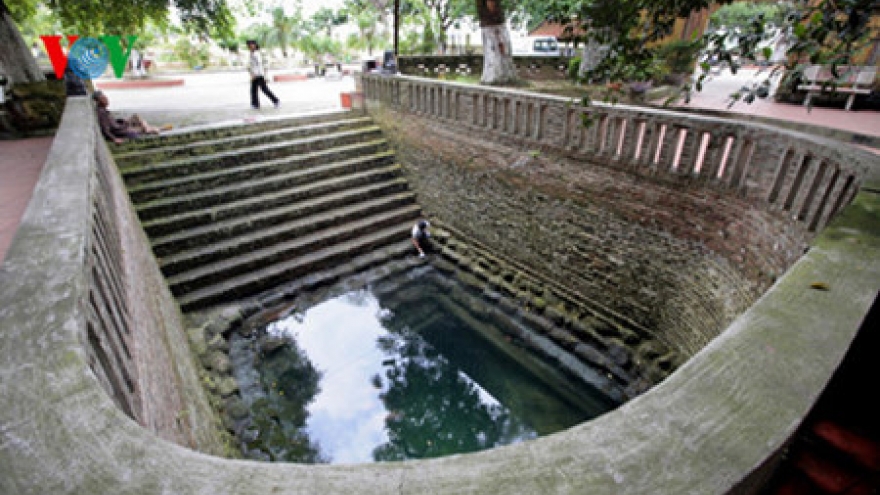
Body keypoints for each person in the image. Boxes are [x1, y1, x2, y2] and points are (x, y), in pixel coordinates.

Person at [92, 90, 164, 144]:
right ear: (98, 101)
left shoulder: (103, 110)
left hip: (121, 126)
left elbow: (112, 122)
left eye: (106, 98)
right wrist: (114, 139)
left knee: (136, 116)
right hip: (121, 131)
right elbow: (105, 129)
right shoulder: (102, 112)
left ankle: (149, 128)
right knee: (142, 127)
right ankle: (150, 129)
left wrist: (122, 121)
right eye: (104, 99)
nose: (107, 101)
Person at [246, 40, 280, 110]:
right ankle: (255, 104)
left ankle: (276, 101)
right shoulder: (252, 53)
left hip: (258, 74)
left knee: (264, 89)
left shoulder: (256, 54)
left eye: (252, 45)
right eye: (249, 45)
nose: (250, 46)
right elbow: (251, 65)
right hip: (255, 74)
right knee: (253, 90)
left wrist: (261, 75)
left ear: (255, 45)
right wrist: (251, 74)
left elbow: (259, 65)